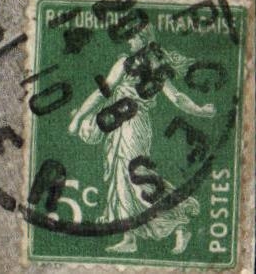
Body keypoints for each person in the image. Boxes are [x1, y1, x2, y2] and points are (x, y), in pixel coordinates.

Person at [67, 31, 215, 256]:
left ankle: (180, 222)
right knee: (121, 178)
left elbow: (103, 93)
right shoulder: (147, 66)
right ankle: (130, 237)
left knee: (136, 179)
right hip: (123, 124)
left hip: (132, 126)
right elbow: (176, 98)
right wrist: (200, 110)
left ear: (144, 39)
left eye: (133, 37)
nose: (129, 40)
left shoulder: (135, 65)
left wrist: (200, 110)